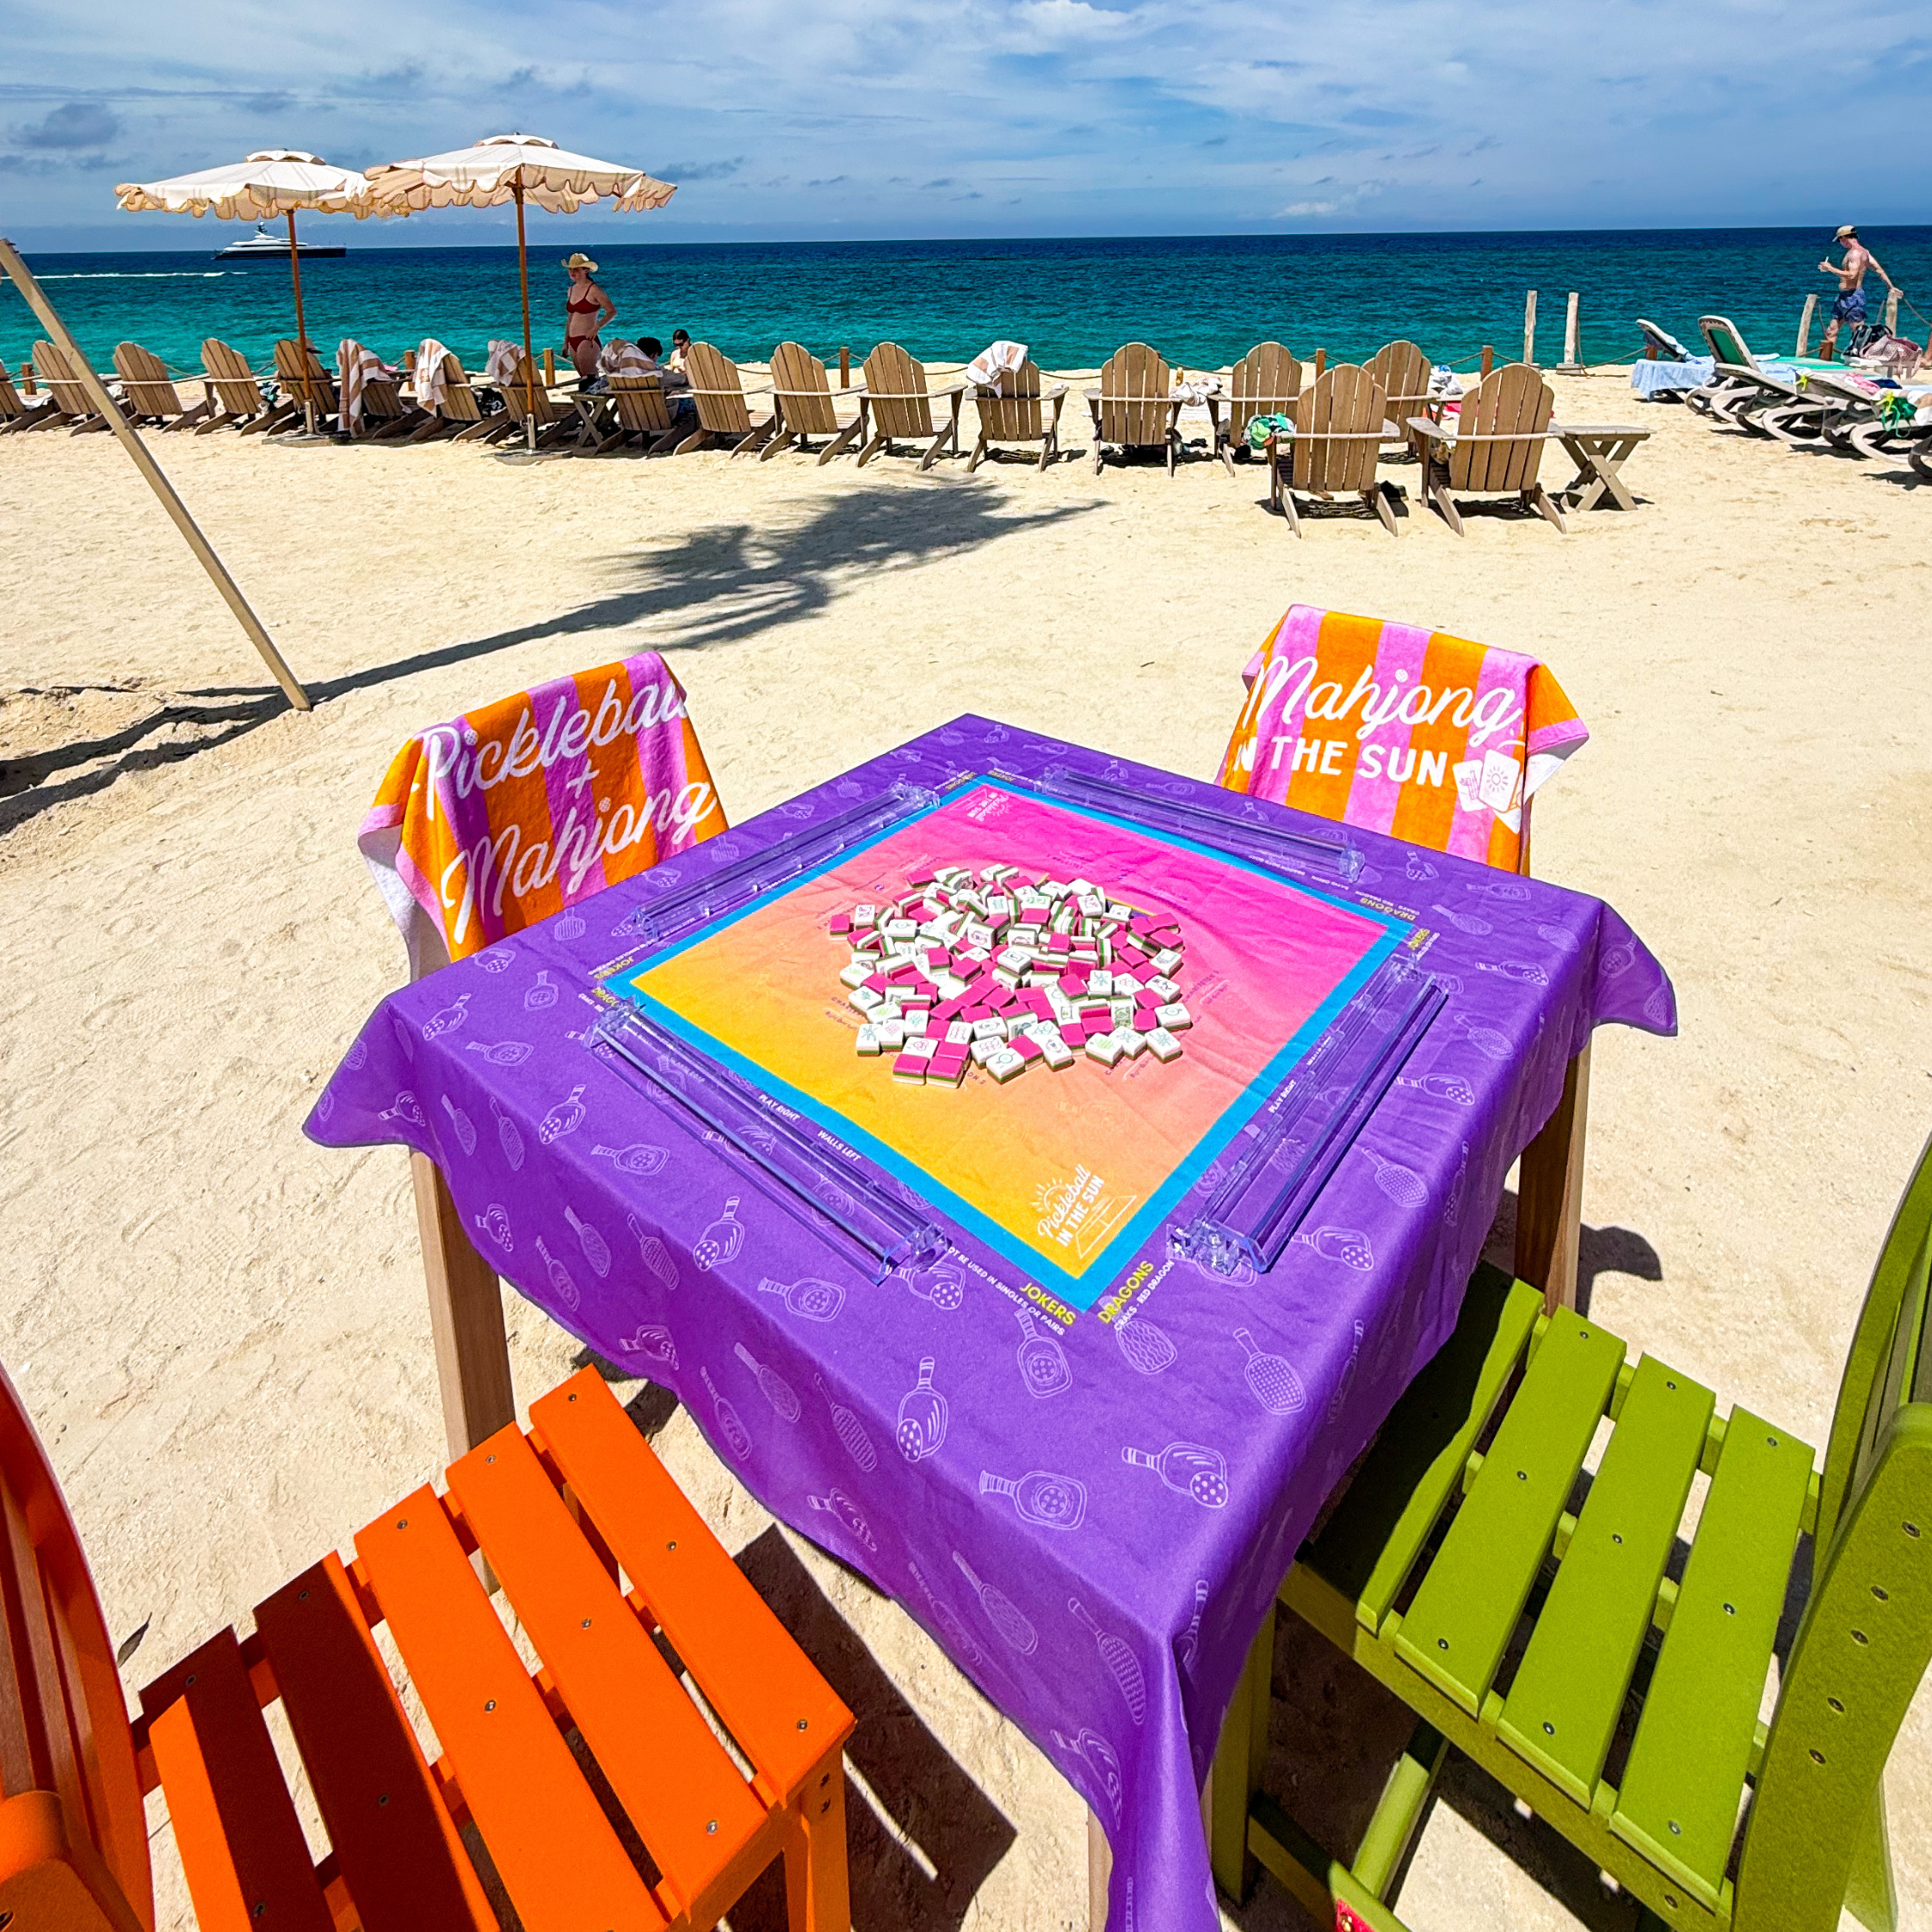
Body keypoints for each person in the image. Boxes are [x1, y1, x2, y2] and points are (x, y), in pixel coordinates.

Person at [1817, 225, 1897, 361]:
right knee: (1831, 331)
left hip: (1853, 297)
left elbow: (1852, 275)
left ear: (1844, 238)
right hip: (1842, 297)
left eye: (1840, 241)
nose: (1840, 244)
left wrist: (1830, 268)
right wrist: (1891, 287)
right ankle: (1824, 361)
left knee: (1858, 334)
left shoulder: (1855, 253)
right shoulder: (1865, 253)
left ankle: (1862, 363)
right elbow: (1879, 270)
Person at [562, 253, 616, 384]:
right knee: (583, 378)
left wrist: (596, 328)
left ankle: (597, 403)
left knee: (590, 379)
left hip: (587, 339)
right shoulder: (571, 290)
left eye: (576, 269)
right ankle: (585, 405)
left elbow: (612, 311)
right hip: (573, 339)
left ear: (586, 270)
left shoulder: (594, 290)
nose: (572, 272)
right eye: (570, 269)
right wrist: (566, 342)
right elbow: (570, 318)